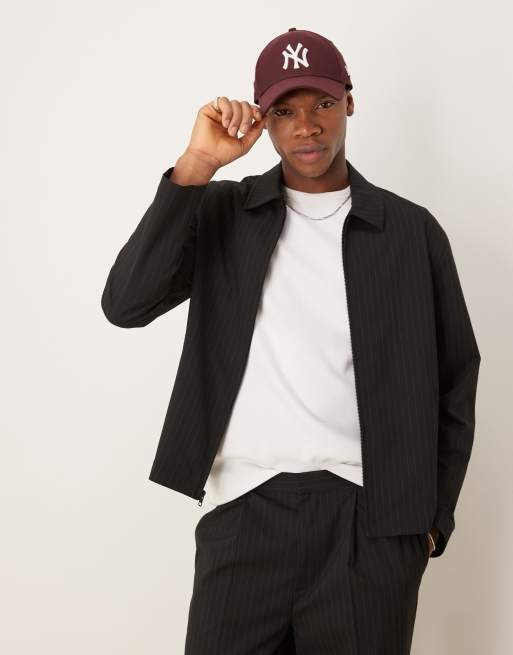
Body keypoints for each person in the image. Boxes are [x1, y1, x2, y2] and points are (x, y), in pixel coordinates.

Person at [101, 28, 481, 655]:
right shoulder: (224, 213)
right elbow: (126, 305)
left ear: (349, 102)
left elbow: (455, 379)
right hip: (243, 515)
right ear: (262, 119)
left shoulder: (409, 231)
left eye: (323, 104)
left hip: (369, 526)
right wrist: (196, 166)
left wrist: (430, 524)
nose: (307, 127)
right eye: (284, 110)